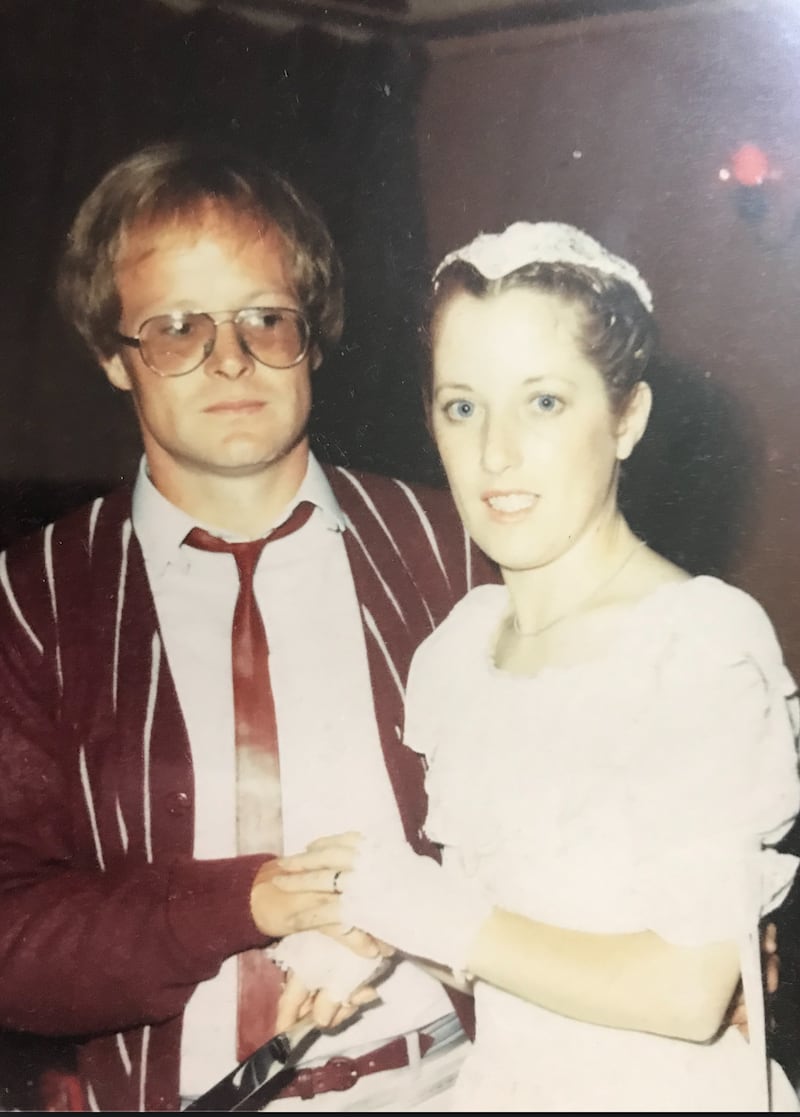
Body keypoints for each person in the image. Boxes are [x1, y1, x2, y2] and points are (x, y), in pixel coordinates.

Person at [0, 140, 498, 1113]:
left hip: (458, 1083)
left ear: (311, 336)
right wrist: (244, 901)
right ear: (113, 354)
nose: (228, 358)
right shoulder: (30, 602)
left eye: (264, 318)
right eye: (176, 326)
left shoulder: (458, 551)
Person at [273, 221, 800, 1111]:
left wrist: (424, 908)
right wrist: (377, 935)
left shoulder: (694, 643)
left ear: (626, 416)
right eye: (463, 405)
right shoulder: (462, 651)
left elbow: (688, 992)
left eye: (545, 402)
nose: (496, 454)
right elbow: (520, 963)